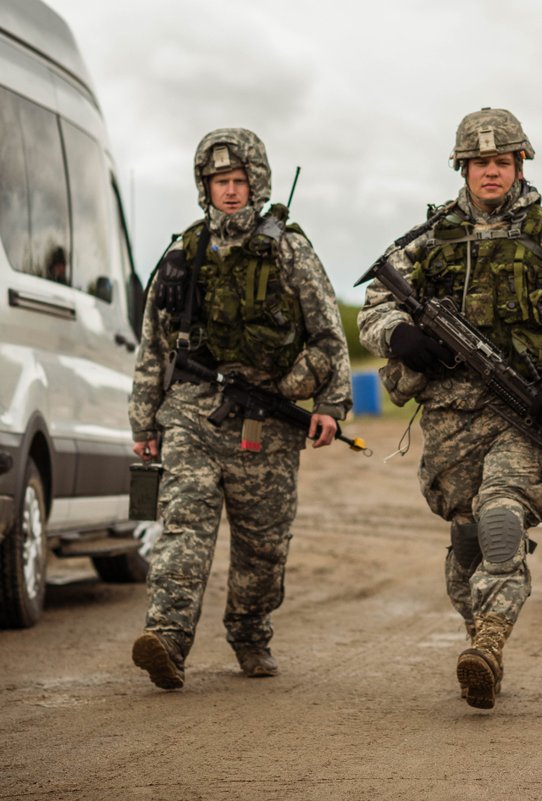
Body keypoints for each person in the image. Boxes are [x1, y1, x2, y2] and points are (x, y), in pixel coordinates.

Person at [357, 108, 542, 709]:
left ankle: (491, 643)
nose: (491, 173)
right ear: (463, 168)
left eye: (502, 162)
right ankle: (479, 633)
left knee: (502, 517)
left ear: (519, 164)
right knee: (467, 540)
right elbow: (374, 306)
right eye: (480, 163)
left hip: (520, 414)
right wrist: (400, 337)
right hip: (450, 417)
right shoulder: (426, 241)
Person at [128, 128, 351, 690]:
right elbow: (154, 343)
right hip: (192, 412)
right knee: (183, 526)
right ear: (204, 187)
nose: (229, 191)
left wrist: (329, 403)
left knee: (263, 545)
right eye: (218, 182)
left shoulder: (289, 248)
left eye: (238, 180)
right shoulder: (183, 252)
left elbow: (328, 335)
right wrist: (143, 421)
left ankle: (250, 634)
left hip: (268, 419)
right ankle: (167, 637)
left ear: (258, 182)